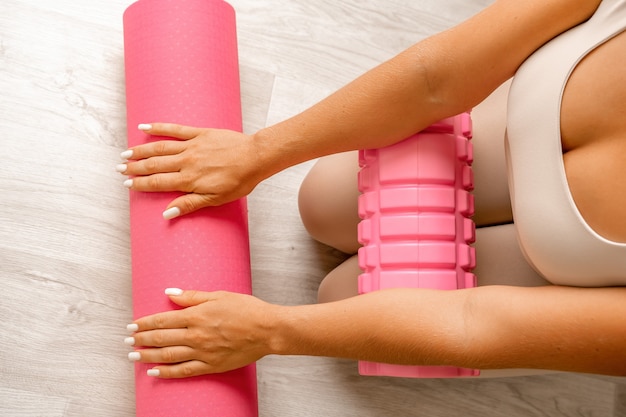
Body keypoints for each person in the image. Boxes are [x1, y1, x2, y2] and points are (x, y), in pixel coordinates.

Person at [118, 0, 626, 378]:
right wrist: (257, 152)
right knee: (322, 203)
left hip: (569, 268)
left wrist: (271, 331)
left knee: (341, 296)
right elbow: (435, 78)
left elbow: (478, 326)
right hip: (528, 131)